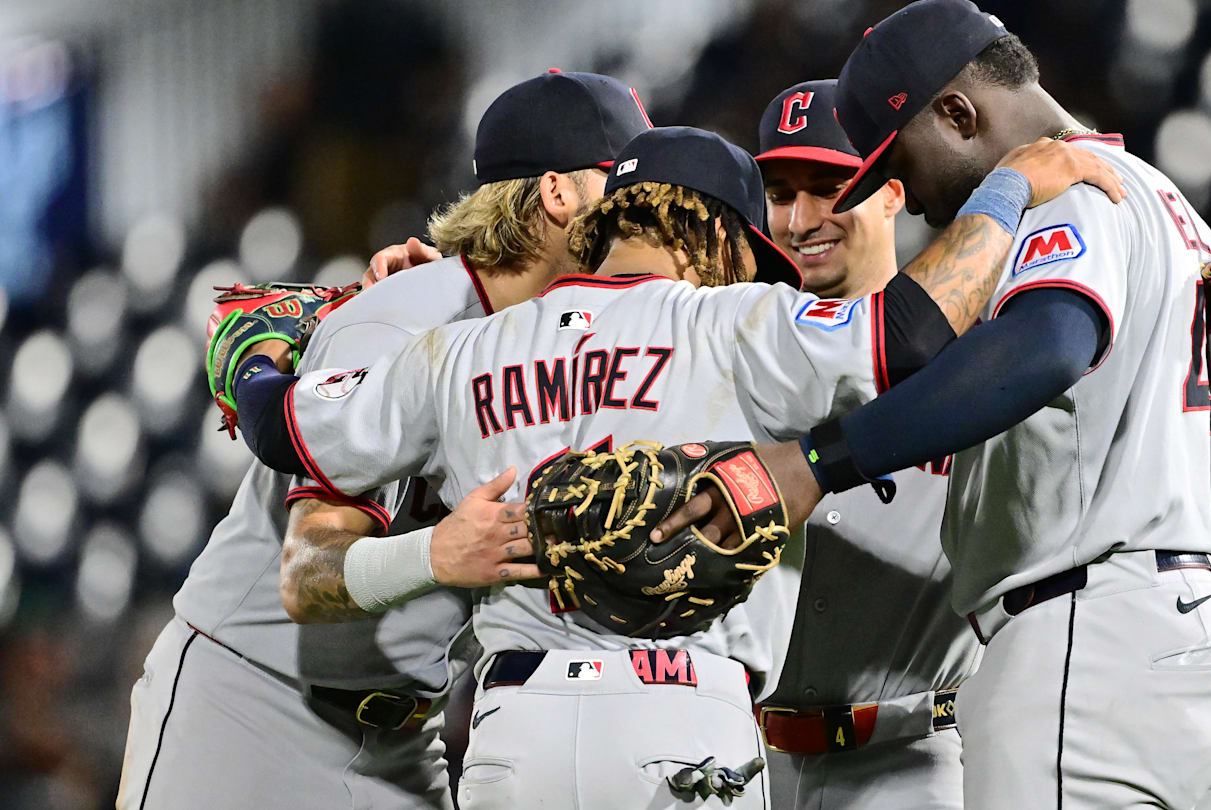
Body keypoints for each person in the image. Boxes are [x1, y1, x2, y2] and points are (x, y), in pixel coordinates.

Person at [216, 125, 1122, 808]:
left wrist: (258, 359)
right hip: (680, 721)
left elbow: (282, 432)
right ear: (716, 236)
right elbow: (912, 333)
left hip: (510, 739)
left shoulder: (460, 353)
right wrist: (1005, 192)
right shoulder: (733, 323)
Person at [659, 3, 1211, 808]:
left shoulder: (1065, 191)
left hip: (1091, 635)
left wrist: (819, 462)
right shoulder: (1175, 208)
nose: (910, 196)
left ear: (957, 112)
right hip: (1208, 631)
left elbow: (1049, 347)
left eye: (899, 162)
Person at [117, 70, 651, 810]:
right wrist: (439, 554)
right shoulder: (401, 323)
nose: (644, 211)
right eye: (622, 185)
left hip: (406, 740)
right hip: (250, 710)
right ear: (558, 195)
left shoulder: (554, 340)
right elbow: (308, 572)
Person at [748, 78, 978, 810]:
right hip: (741, 761)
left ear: (891, 190)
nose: (800, 217)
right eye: (781, 192)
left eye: (829, 187)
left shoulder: (978, 359)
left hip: (909, 761)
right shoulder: (732, 344)